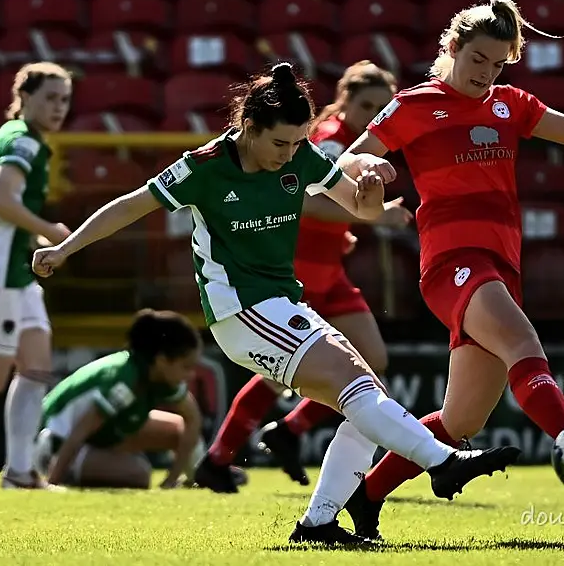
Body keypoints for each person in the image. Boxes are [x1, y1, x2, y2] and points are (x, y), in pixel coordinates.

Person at [31, 62, 522, 545]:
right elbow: (131, 204)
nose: (289, 156)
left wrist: (371, 192)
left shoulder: (301, 155)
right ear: (248, 127)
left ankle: (319, 524)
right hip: (239, 311)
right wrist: (65, 247)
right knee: (358, 385)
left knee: (365, 398)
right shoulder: (204, 168)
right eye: (279, 143)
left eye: (296, 143)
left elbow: (360, 207)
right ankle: (442, 463)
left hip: (280, 304)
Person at [336, 0, 564, 540]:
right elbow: (347, 155)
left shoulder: (510, 103)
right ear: (452, 47)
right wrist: (370, 164)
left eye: (497, 64)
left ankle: (367, 494)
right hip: (452, 262)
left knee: (460, 423)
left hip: (500, 265)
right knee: (524, 343)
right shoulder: (413, 105)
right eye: (478, 59)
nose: (486, 73)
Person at [194, 60, 412, 491]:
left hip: (330, 269)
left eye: (382, 108)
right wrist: (374, 217)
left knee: (371, 363)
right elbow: (305, 201)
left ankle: (286, 432)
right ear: (343, 100)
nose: (373, 115)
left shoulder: (354, 145)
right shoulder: (329, 142)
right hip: (299, 269)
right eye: (366, 104)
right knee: (283, 372)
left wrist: (346, 230)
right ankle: (222, 457)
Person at [0, 62, 73, 489]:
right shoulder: (23, 141)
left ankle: (19, 473)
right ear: (25, 96)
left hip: (18, 273)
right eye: (50, 97)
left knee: (36, 367)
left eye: (65, 99)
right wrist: (49, 231)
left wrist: (36, 241)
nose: (59, 107)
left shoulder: (24, 139)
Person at [33, 309, 203, 489]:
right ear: (161, 360)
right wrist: (52, 482)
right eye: (186, 367)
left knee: (179, 430)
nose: (191, 375)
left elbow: (192, 418)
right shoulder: (125, 379)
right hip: (56, 442)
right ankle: (68, 473)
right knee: (139, 474)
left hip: (99, 435)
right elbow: (80, 431)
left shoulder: (161, 376)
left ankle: (197, 478)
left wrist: (172, 480)